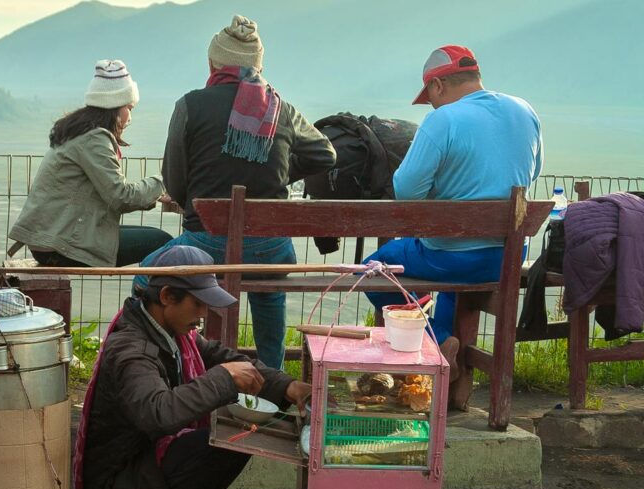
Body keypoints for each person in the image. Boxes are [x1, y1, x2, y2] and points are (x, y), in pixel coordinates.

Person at [75, 245, 313, 489]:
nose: (203, 314)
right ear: (168, 296)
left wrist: (287, 385)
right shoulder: (131, 348)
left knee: (241, 435)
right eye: (197, 303)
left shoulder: (170, 331)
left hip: (144, 465)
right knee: (223, 439)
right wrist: (222, 380)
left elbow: (222, 357)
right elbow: (157, 414)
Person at [135, 15, 336, 369]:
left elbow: (175, 180)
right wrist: (280, 175)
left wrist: (189, 200)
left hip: (208, 242)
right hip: (272, 249)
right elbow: (325, 154)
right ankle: (273, 381)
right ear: (258, 65)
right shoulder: (280, 108)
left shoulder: (190, 105)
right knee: (268, 293)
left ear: (214, 62)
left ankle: (168, 362)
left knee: (144, 276)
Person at [363, 45, 543, 375]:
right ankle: (444, 368)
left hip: (450, 259)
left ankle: (435, 337)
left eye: (429, 95)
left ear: (438, 86)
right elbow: (531, 174)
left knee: (372, 270)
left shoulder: (443, 119)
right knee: (449, 284)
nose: (430, 103)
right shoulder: (524, 111)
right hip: (507, 258)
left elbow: (406, 191)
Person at [9, 59, 171, 267]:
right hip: (60, 245)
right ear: (114, 107)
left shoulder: (80, 132)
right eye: (129, 108)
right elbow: (121, 196)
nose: (130, 117)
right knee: (163, 242)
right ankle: (145, 298)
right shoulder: (94, 139)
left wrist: (154, 194)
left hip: (53, 237)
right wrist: (164, 180)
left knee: (155, 236)